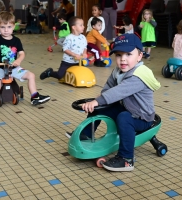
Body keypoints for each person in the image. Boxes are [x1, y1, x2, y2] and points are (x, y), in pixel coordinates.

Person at [66, 33, 161, 172]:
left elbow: (117, 92)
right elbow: (107, 90)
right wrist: (95, 103)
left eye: (128, 54)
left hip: (141, 117)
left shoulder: (139, 75)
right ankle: (85, 134)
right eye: (118, 55)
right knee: (101, 106)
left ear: (140, 56)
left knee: (123, 117)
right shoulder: (117, 71)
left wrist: (97, 101)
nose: (123, 59)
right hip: (127, 109)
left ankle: (126, 159)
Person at [0, 11, 51, 105]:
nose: (6, 30)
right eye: (3, 27)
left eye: (9, 27)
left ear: (14, 26)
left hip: (14, 68)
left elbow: (22, 54)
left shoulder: (16, 41)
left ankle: (34, 97)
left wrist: (18, 60)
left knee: (31, 75)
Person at [40, 16, 87, 80]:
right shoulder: (69, 38)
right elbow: (65, 49)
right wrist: (75, 55)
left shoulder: (83, 37)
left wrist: (84, 53)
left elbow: (85, 47)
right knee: (60, 75)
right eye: (81, 25)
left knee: (83, 73)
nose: (83, 27)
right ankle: (49, 73)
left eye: (83, 25)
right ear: (74, 27)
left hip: (79, 62)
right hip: (67, 62)